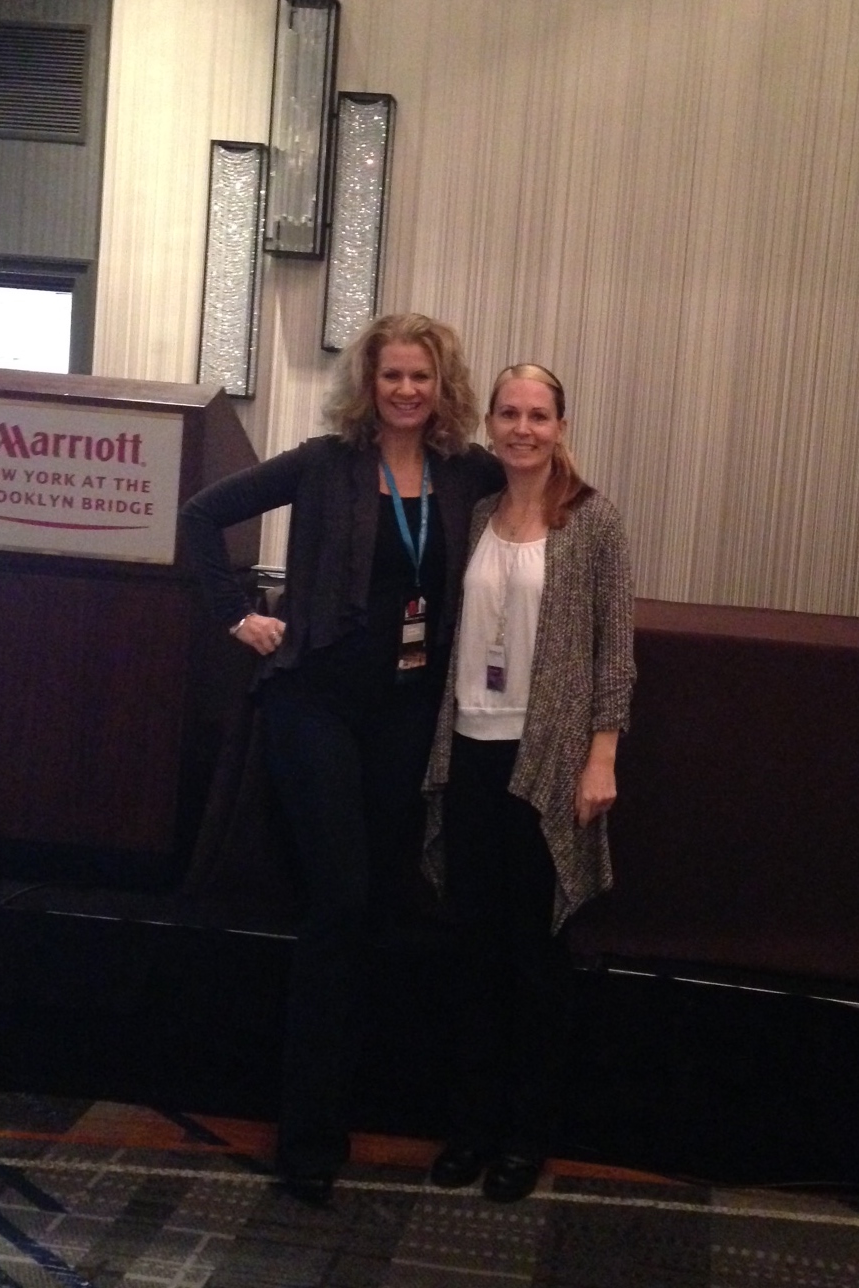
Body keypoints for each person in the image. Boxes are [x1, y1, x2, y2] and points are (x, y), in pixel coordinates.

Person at [179, 314, 503, 1205]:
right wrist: (236, 615)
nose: (406, 390)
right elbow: (201, 516)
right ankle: (310, 1139)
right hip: (314, 702)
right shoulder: (323, 462)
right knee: (340, 900)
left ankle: (380, 1105)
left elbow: (548, 494)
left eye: (421, 377)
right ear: (369, 381)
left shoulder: (466, 471)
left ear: (442, 387)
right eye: (392, 375)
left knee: (382, 903)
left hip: (409, 711)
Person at [422, 363, 636, 1202]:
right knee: (472, 952)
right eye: (508, 414)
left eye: (538, 415)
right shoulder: (476, 512)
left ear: (561, 426)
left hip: (546, 764)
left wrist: (601, 756)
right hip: (469, 752)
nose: (522, 428)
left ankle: (525, 1135)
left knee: (535, 957)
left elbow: (614, 652)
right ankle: (470, 1127)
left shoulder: (594, 521)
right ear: (491, 425)